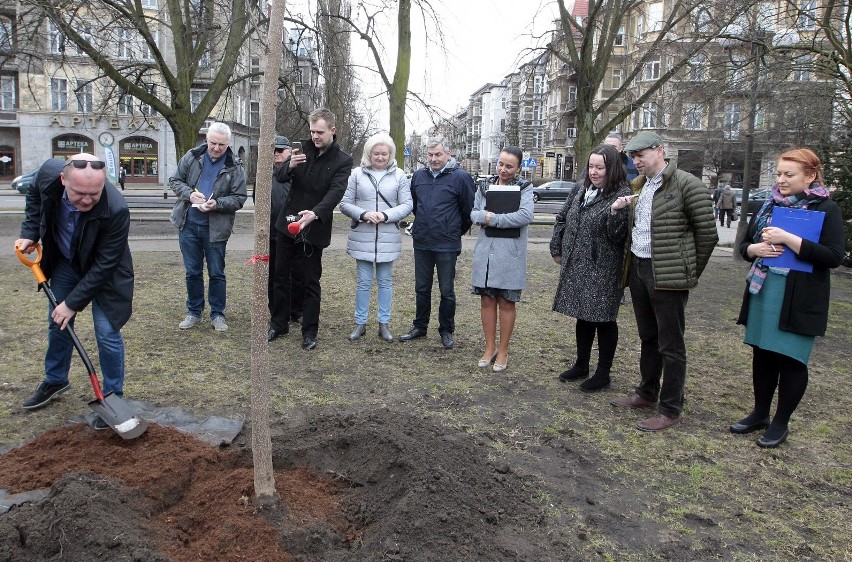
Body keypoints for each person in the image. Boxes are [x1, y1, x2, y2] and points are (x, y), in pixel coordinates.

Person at [731, 148, 845, 448]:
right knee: (762, 353)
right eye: (779, 173)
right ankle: (759, 413)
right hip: (765, 289)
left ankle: (781, 422)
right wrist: (753, 250)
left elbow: (834, 256)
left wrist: (789, 240)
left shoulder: (826, 209)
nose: (781, 180)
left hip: (799, 297)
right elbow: (745, 245)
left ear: (810, 176)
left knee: (791, 359)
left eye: (788, 175)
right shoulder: (769, 204)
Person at [16, 154, 134, 431]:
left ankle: (113, 396)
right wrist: (30, 231)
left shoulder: (116, 209)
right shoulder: (47, 175)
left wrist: (72, 303)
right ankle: (56, 379)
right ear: (62, 180)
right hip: (67, 262)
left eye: (94, 194)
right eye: (79, 193)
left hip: (106, 274)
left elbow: (105, 265)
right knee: (57, 321)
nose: (87, 200)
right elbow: (34, 197)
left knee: (107, 332)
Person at [609, 132, 718, 431]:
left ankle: (670, 408)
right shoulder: (640, 186)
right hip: (639, 270)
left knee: (671, 343)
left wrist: (688, 272)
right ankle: (647, 392)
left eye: (641, 154)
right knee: (648, 337)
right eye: (632, 156)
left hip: (668, 276)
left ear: (660, 151)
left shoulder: (687, 184)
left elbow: (707, 234)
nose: (636, 161)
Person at [268, 107, 353, 350]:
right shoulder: (301, 151)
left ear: (332, 131)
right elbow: (281, 177)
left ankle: (309, 332)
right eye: (312, 131)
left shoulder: (342, 161)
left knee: (309, 282)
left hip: (313, 229)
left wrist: (315, 214)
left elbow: (335, 193)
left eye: (320, 132)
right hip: (287, 224)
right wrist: (290, 165)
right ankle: (279, 323)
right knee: (280, 276)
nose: (315, 136)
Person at [550, 145, 631, 391]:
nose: (594, 172)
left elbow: (618, 237)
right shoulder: (581, 189)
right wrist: (557, 247)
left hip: (604, 267)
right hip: (578, 263)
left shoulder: (622, 194)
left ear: (612, 169)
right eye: (591, 166)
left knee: (604, 319)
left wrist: (616, 212)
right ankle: (581, 364)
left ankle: (603, 373)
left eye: (600, 168)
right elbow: (562, 217)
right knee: (582, 315)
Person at [398, 137, 475, 349]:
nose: (434, 159)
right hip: (422, 241)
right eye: (430, 155)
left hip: (447, 244)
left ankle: (446, 330)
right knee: (422, 288)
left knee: (447, 290)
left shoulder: (460, 178)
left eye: (438, 154)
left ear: (448, 154)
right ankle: (420, 326)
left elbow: (467, 211)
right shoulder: (419, 176)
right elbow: (416, 206)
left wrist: (452, 230)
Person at [170, 122, 247, 332]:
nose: (216, 148)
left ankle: (217, 314)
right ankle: (194, 311)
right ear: (207, 139)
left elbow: (240, 198)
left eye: (221, 144)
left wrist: (218, 204)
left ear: (228, 144)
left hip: (216, 229)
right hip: (189, 224)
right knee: (192, 271)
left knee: (216, 272)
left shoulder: (235, 165)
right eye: (213, 143)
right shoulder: (192, 157)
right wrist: (189, 194)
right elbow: (175, 180)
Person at [340, 133, 413, 342]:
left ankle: (384, 324)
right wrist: (363, 214)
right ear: (369, 154)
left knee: (385, 282)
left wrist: (385, 215)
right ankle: (360, 323)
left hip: (388, 236)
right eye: (376, 153)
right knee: (363, 282)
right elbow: (345, 203)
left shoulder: (399, 175)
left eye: (384, 153)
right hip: (362, 234)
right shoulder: (356, 174)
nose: (380, 157)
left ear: (390, 154)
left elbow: (407, 205)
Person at [470, 146, 534, 371]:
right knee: (487, 300)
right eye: (501, 164)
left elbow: (525, 216)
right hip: (486, 251)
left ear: (518, 168)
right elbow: (474, 212)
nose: (503, 169)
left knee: (506, 302)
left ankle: (503, 350)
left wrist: (493, 219)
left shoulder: (524, 187)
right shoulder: (484, 185)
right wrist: (483, 216)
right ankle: (490, 347)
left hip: (510, 253)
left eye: (509, 166)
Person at [265, 135, 304, 324]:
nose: (277, 154)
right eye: (274, 150)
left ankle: (297, 310)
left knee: (298, 273)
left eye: (281, 150)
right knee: (274, 274)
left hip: (296, 231)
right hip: (272, 233)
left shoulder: (298, 172)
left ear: (290, 151)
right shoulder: (265, 175)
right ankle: (276, 310)